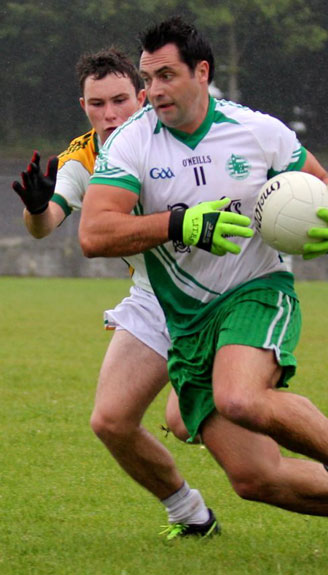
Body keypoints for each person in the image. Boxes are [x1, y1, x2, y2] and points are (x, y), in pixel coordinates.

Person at [78, 18, 328, 566]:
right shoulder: (131, 143)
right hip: (186, 322)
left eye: (167, 76)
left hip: (256, 290)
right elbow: (94, 233)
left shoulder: (259, 131)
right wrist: (180, 224)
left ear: (203, 72)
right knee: (255, 478)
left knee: (240, 396)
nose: (154, 91)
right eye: (148, 78)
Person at [12, 48, 219, 538]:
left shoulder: (180, 130)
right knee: (110, 421)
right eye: (97, 103)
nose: (110, 115)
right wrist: (38, 207)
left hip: (218, 292)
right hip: (152, 297)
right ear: (82, 104)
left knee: (188, 422)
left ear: (143, 95)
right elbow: (48, 224)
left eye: (121, 100)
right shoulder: (82, 155)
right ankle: (190, 515)